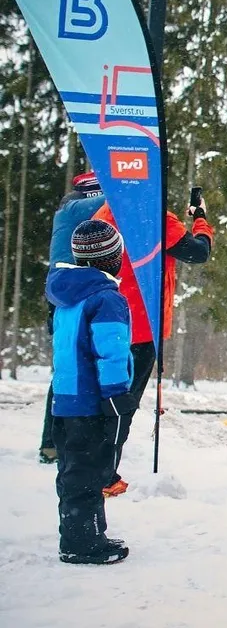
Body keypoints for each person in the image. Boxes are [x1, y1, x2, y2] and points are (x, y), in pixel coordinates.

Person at [93, 194, 214, 496]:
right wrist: (201, 219)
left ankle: (91, 469)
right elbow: (198, 252)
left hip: (104, 319)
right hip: (142, 324)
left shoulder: (105, 211)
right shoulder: (153, 214)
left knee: (100, 400)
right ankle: (103, 477)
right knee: (122, 405)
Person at [46, 220, 134, 564]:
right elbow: (110, 351)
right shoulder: (107, 299)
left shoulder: (67, 295)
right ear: (114, 258)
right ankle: (83, 544)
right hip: (92, 399)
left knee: (72, 471)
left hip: (65, 398)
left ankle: (79, 532)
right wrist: (117, 394)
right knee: (90, 471)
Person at [38, 172, 106, 464]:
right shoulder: (73, 207)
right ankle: (56, 442)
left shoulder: (74, 211)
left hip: (67, 295)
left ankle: (54, 443)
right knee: (70, 370)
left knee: (67, 370)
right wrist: (131, 187)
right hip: (74, 295)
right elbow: (115, 201)